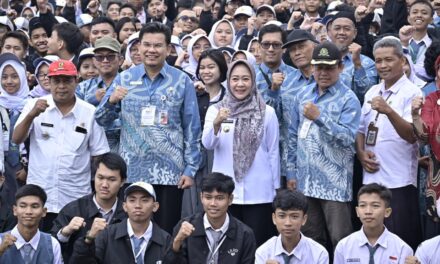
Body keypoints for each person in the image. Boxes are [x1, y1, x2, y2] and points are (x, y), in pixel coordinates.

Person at [95, 22, 201, 234]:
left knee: (165, 233)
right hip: (132, 170)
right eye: (147, 45)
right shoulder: (124, 78)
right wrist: (111, 102)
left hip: (170, 173)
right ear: (139, 47)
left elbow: (192, 128)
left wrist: (190, 169)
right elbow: (101, 119)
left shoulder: (182, 81)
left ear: (168, 49)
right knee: (130, 232)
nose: (152, 50)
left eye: (158, 45)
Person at [12, 60, 109, 232]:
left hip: (75, 196)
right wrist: (32, 114)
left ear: (76, 81)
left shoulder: (89, 112)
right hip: (40, 199)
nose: (62, 86)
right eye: (57, 81)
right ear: (49, 82)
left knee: (73, 252)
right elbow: (17, 139)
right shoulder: (34, 105)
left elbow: (98, 154)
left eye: (67, 80)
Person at [288, 41, 361, 251]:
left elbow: (348, 139)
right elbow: (293, 135)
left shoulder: (349, 98)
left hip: (334, 184)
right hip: (305, 180)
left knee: (341, 240)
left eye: (329, 67)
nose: (323, 72)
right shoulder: (302, 95)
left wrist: (320, 118)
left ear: (340, 67)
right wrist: (291, 172)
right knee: (310, 240)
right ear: (312, 68)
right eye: (319, 67)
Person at [202, 59, 280, 245]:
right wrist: (217, 124)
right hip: (227, 192)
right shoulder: (216, 110)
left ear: (253, 81)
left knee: (258, 242)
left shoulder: (266, 112)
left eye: (245, 79)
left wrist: (275, 188)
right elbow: (208, 144)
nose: (240, 84)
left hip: (259, 191)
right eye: (235, 79)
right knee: (229, 245)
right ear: (228, 81)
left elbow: (273, 151)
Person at [356, 37, 423, 250]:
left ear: (402, 61)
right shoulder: (372, 91)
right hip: (371, 179)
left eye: (388, 60)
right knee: (372, 241)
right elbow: (360, 131)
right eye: (378, 61)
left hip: (399, 180)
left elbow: (412, 135)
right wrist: (360, 153)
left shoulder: (412, 92)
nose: (382, 66)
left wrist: (388, 110)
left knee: (400, 242)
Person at [51, 153, 128, 263]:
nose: (104, 184)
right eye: (100, 177)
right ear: (94, 177)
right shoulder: (73, 209)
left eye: (111, 179)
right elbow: (51, 249)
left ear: (122, 182)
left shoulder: (130, 212)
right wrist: (65, 232)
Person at [164, 173, 256, 264]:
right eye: (208, 197)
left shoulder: (244, 234)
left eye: (219, 198)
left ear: (230, 199)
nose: (213, 203)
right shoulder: (185, 227)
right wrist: (177, 241)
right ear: (201, 197)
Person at [70, 181, 170, 264]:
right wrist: (88, 239)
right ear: (124, 206)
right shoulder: (107, 235)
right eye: (132, 200)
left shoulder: (165, 239)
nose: (138, 205)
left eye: (144, 200)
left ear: (155, 206)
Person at [334, 183, 413, 263]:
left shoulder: (402, 249)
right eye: (363, 205)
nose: (368, 211)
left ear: (387, 212)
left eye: (375, 206)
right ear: (357, 211)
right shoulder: (344, 246)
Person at [255, 189, 329, 264]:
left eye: (294, 216)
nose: (288, 223)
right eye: (282, 216)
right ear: (274, 218)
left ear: (304, 219)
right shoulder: (263, 252)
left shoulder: (319, 253)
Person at [76, 36, 123, 152]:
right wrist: (92, 100)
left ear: (121, 60)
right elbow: (76, 115)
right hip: (90, 145)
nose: (105, 60)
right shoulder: (83, 87)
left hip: (122, 144)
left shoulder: (130, 83)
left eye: (110, 56)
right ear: (95, 61)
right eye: (100, 57)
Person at [0, 184, 63, 263]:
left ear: (44, 211)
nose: (28, 212)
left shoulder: (52, 244)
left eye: (34, 206)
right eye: (23, 206)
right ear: (15, 210)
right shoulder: (0, 241)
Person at [327, 11, 377, 102]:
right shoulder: (318, 60)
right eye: (337, 28)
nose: (341, 32)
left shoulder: (367, 63)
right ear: (330, 32)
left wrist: (358, 65)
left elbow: (369, 96)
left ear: (354, 33)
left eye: (347, 29)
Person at [0, 53, 29, 208]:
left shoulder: (32, 104)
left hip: (26, 168)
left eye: (14, 76)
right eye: (4, 77)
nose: (9, 82)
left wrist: (27, 167)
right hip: (3, 168)